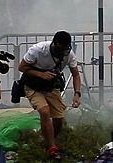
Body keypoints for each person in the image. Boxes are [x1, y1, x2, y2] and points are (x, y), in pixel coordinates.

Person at [18, 31, 81, 160]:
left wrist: (77, 94)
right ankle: (52, 147)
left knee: (59, 118)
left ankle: (47, 140)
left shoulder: (69, 55)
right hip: (33, 85)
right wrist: (41, 74)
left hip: (52, 86)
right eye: (60, 48)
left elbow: (76, 75)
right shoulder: (38, 50)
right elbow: (22, 67)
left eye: (65, 48)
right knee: (45, 111)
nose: (62, 51)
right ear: (54, 44)